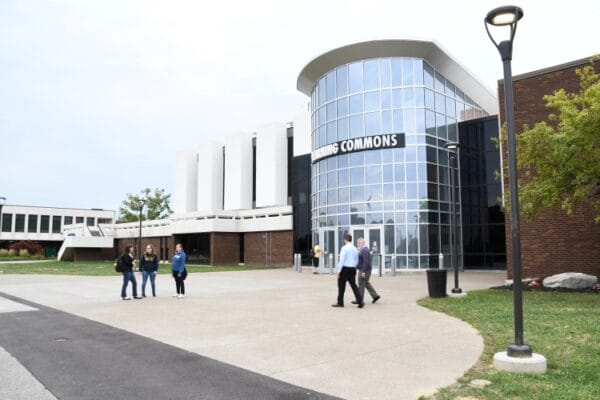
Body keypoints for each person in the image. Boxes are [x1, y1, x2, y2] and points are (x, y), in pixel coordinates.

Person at [332, 233, 364, 308]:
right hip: (352, 269)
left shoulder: (344, 248)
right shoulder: (355, 248)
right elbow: (357, 260)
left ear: (345, 239)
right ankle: (360, 301)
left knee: (341, 286)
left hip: (345, 269)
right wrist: (354, 267)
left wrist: (338, 271)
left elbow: (342, 260)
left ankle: (340, 302)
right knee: (354, 286)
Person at [352, 238, 381, 305]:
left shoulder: (365, 250)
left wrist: (363, 272)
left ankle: (360, 300)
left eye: (359, 243)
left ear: (363, 243)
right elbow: (361, 261)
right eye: (357, 243)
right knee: (366, 283)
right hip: (363, 269)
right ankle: (375, 296)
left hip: (364, 270)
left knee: (361, 284)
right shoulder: (363, 250)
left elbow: (366, 262)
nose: (358, 244)